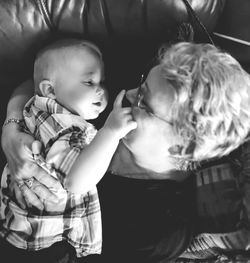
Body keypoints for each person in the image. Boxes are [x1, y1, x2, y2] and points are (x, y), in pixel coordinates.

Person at [2, 42, 250, 262]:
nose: (129, 94)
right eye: (142, 82)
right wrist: (11, 128)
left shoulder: (157, 233)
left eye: (144, 101)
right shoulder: (121, 96)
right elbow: (37, 81)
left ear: (183, 147)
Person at [0, 38, 137, 262]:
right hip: (42, 240)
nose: (102, 90)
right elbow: (77, 182)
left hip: (18, 223)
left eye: (102, 82)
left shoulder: (38, 107)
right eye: (89, 82)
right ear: (50, 90)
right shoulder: (67, 128)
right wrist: (110, 132)